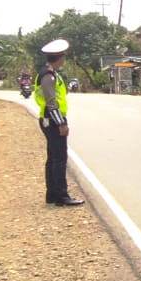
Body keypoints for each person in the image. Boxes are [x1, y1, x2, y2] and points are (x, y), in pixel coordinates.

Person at [34, 39, 84, 206]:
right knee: (59, 159)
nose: (64, 60)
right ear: (59, 58)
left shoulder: (51, 73)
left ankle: (52, 195)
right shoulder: (48, 76)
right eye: (63, 57)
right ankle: (62, 196)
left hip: (50, 119)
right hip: (53, 120)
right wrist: (61, 123)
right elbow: (51, 102)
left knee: (53, 158)